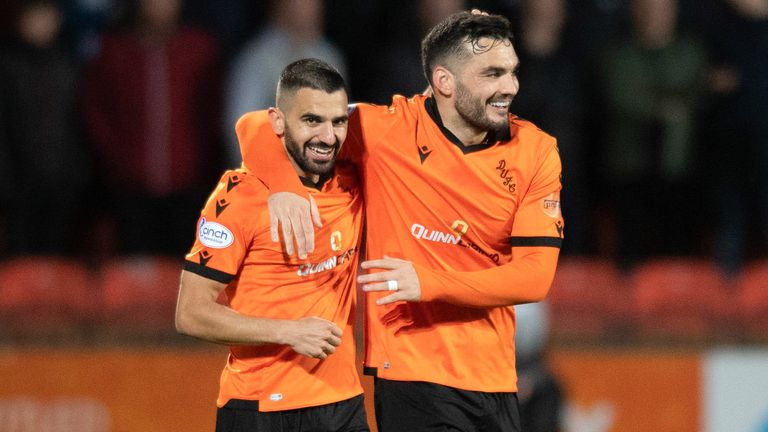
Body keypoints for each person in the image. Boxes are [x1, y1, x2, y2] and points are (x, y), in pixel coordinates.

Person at [238, 11, 564, 432]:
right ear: (445, 82)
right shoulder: (385, 130)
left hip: (495, 377)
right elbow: (259, 125)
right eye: (493, 73)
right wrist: (283, 185)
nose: (510, 87)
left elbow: (534, 279)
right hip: (412, 374)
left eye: (512, 72)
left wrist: (425, 282)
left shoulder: (536, 151)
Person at [174, 59, 369, 432]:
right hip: (261, 409)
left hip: (344, 405)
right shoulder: (240, 196)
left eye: (338, 122)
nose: (328, 137)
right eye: (311, 120)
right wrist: (288, 331)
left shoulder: (351, 182)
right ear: (278, 122)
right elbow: (190, 313)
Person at [80, 0, 223, 256]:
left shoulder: (199, 51)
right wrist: (118, 163)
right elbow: (96, 115)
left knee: (183, 277)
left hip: (188, 189)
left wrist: (201, 165)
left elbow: (212, 117)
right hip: (129, 191)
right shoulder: (113, 51)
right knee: (135, 279)